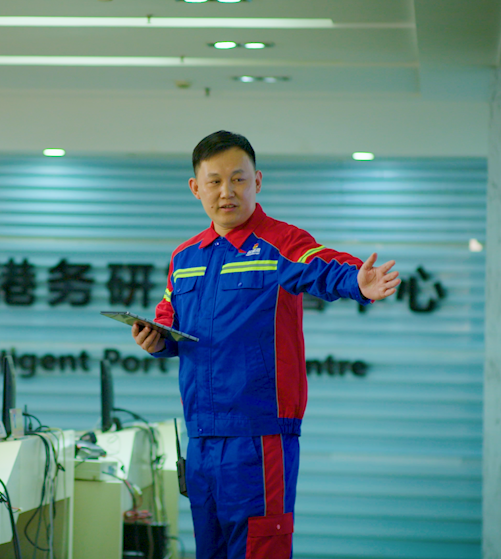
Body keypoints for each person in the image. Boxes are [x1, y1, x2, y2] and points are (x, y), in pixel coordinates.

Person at [131, 131, 400, 559]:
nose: (227, 191)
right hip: (201, 435)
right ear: (196, 188)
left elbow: (321, 265)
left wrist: (357, 281)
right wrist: (156, 339)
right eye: (215, 181)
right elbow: (169, 315)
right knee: (211, 551)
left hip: (260, 437)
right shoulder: (185, 257)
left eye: (238, 179)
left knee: (261, 548)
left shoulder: (280, 242)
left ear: (257, 181)